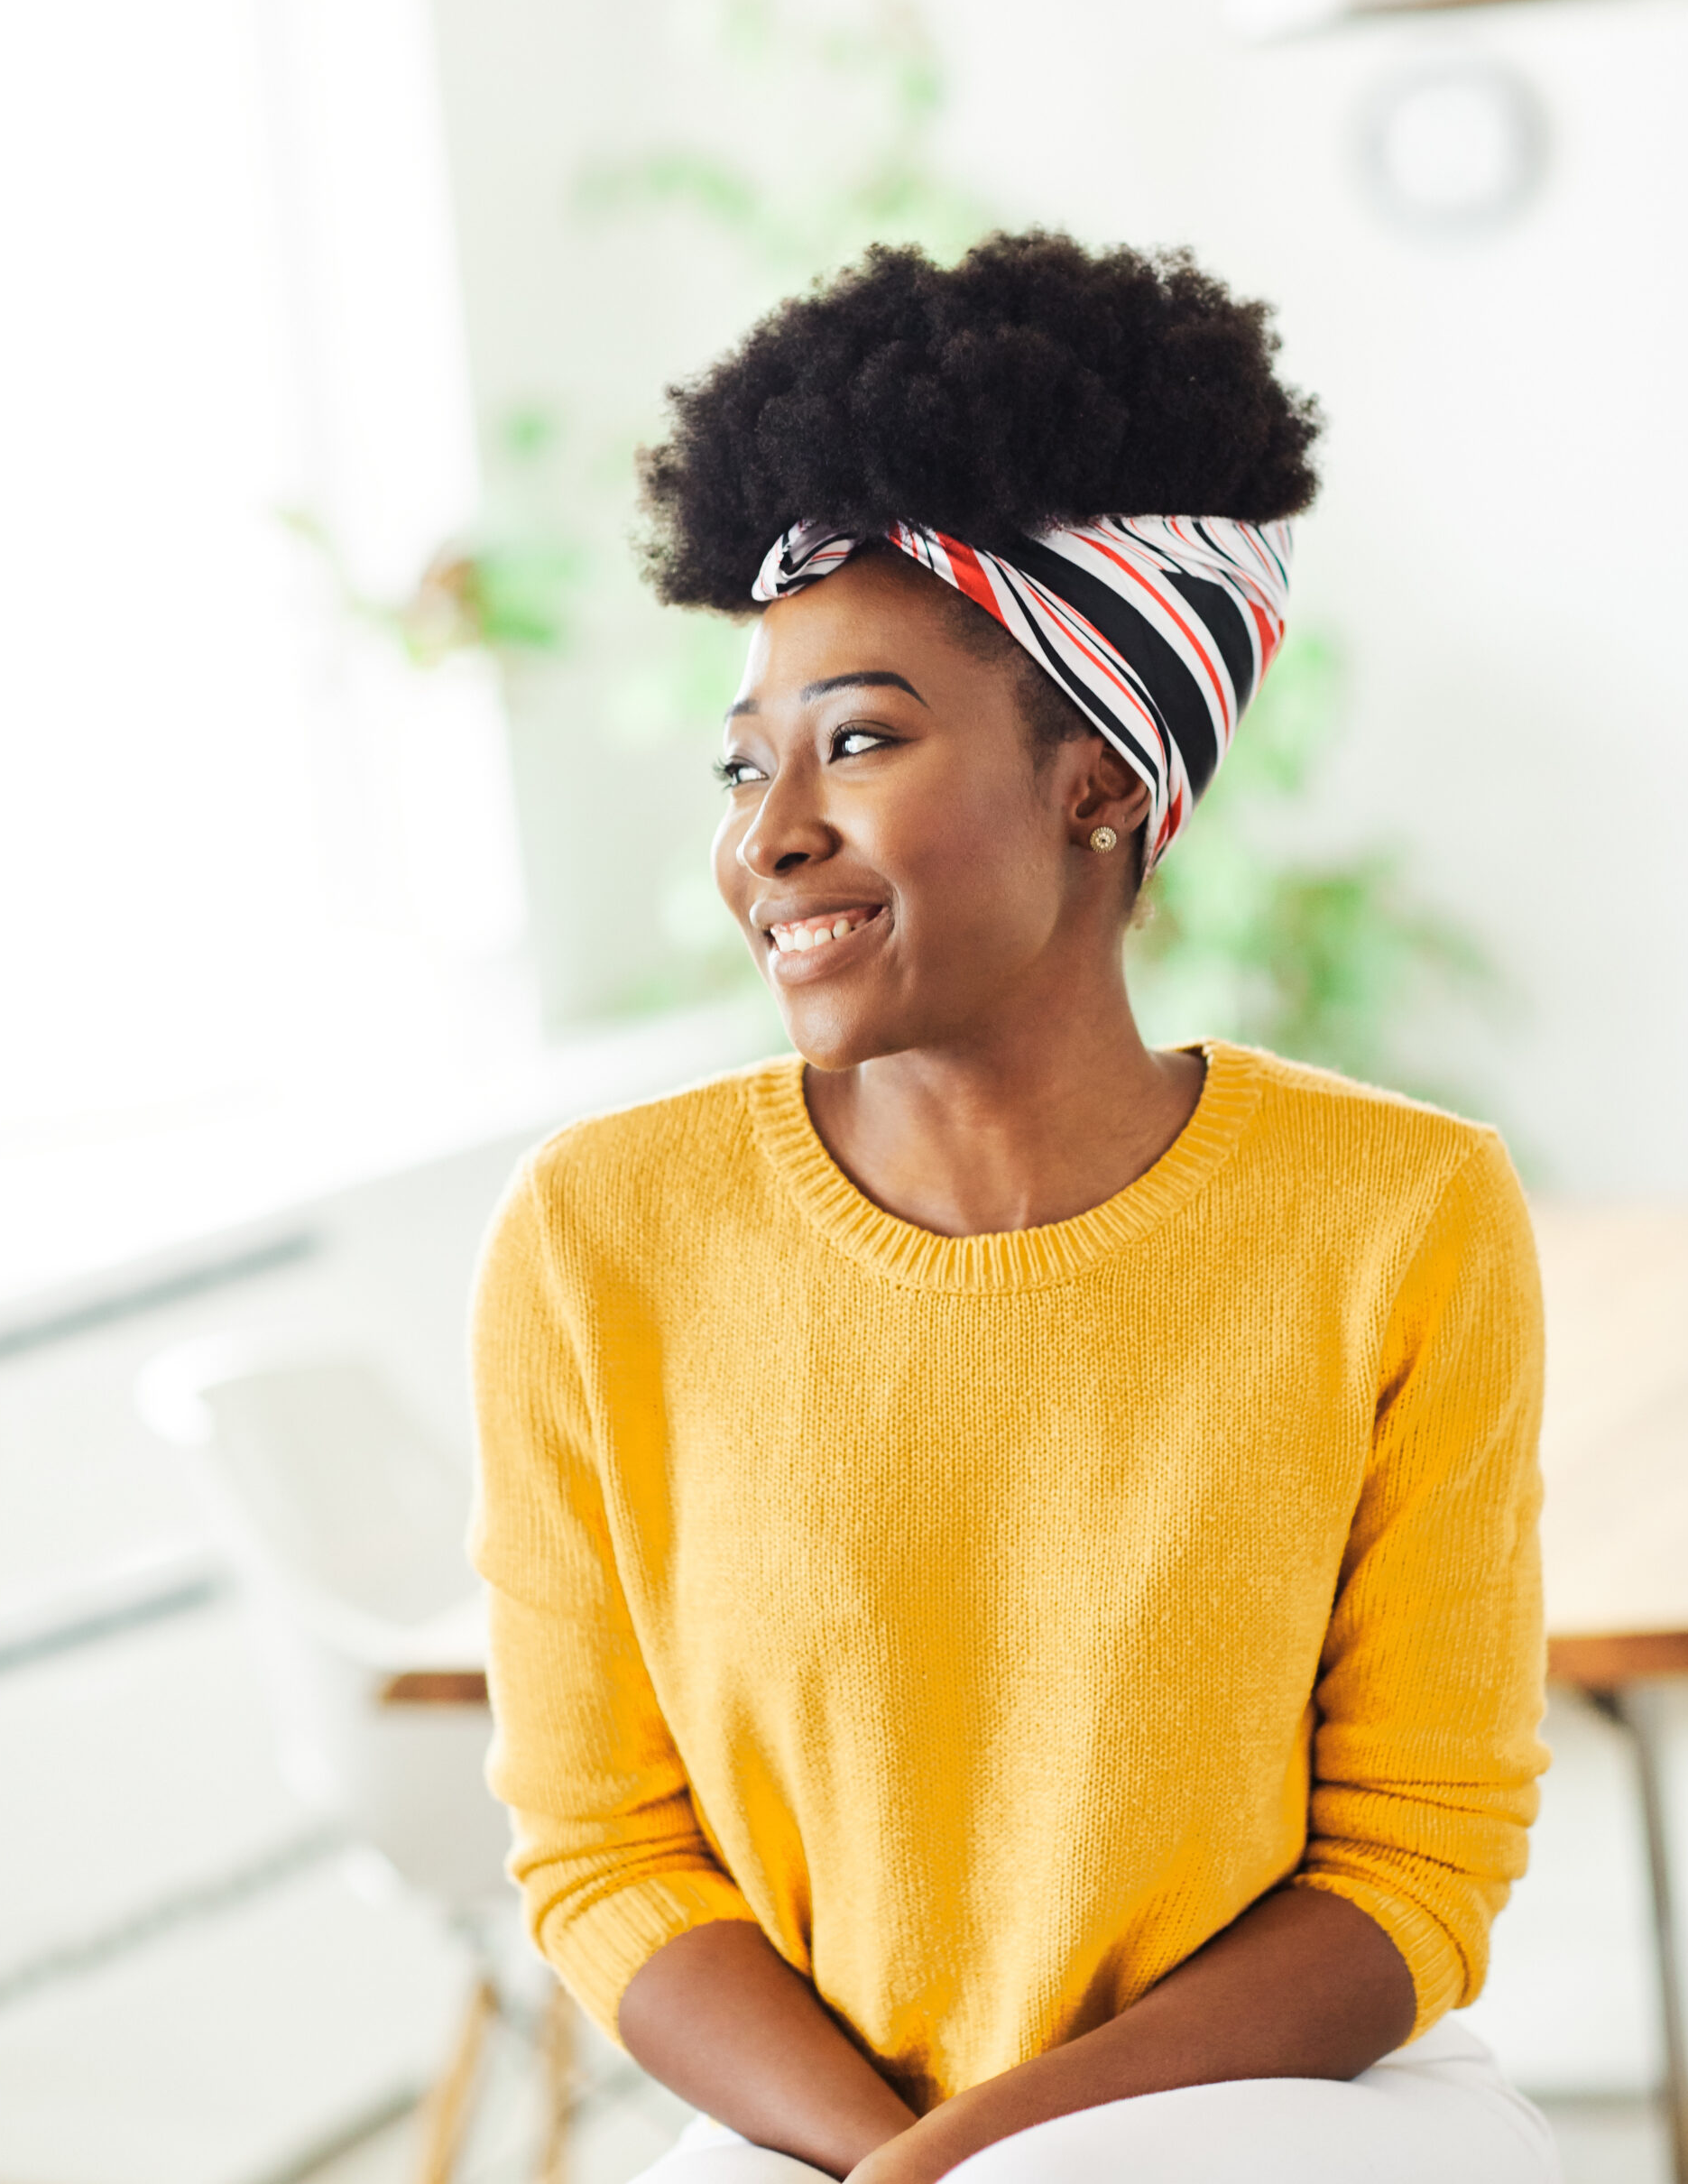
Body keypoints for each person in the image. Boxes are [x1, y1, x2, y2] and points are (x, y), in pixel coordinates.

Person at [470, 232, 1556, 2184]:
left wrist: (982, 2158)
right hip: (803, 2121)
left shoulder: (1401, 1214)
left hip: (1287, 2106)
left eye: (862, 737)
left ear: (1096, 781)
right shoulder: (598, 1232)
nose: (765, 830)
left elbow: (1415, 1850)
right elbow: (602, 1844)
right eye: (747, 758)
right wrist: (892, 2162)